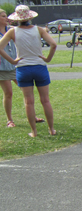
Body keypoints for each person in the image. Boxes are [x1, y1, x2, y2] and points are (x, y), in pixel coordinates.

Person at [0, 5, 57, 137]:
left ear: (17, 19)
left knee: (28, 101)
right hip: (39, 67)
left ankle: (34, 131)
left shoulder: (12, 32)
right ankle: (51, 129)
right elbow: (53, 44)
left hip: (23, 68)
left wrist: (13, 61)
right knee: (45, 100)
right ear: (30, 17)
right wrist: (47, 59)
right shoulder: (39, 30)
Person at [0, 9, 18, 128]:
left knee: (27, 90)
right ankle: (9, 120)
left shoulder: (12, 30)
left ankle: (31, 115)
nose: (6, 18)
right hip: (2, 67)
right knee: (8, 93)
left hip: (15, 66)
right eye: (3, 16)